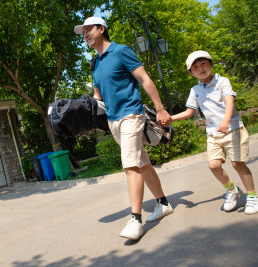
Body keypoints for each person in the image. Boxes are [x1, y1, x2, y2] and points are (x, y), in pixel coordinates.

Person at [74, 17, 174, 240]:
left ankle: (135, 219)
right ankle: (164, 204)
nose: (85, 34)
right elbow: (98, 99)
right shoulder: (95, 64)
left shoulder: (121, 51)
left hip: (131, 114)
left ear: (102, 29)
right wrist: (88, 121)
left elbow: (144, 79)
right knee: (142, 163)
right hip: (113, 120)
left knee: (130, 166)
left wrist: (160, 109)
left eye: (89, 29)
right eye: (83, 32)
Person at [171, 50, 258, 215]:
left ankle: (252, 196)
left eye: (204, 63)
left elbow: (229, 100)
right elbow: (189, 112)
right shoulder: (195, 90)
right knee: (213, 165)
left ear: (211, 64)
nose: (201, 68)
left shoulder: (222, 81)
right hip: (213, 134)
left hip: (233, 129)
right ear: (191, 73)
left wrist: (225, 121)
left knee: (237, 164)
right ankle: (232, 190)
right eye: (195, 66)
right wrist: (170, 119)